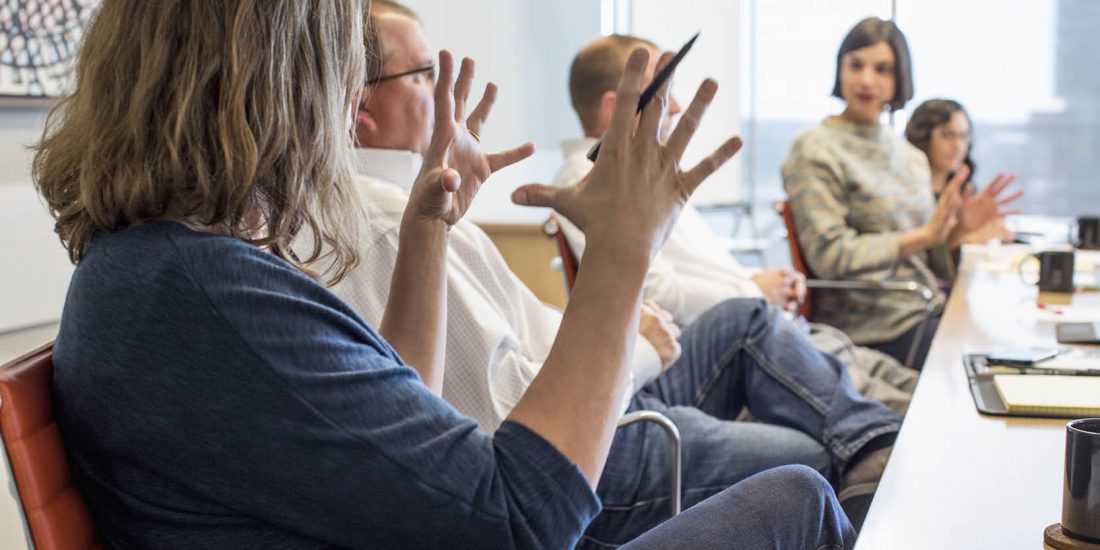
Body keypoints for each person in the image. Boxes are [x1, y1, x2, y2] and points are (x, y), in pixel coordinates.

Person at [34, 0, 855, 548]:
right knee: (799, 501)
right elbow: (529, 517)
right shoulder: (202, 292)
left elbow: (403, 402)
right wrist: (622, 248)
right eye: (330, 77)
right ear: (276, 92)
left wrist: (425, 225)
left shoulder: (162, 268)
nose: (336, 111)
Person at [333, 3, 899, 545]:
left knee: (749, 322)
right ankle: (880, 447)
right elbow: (518, 423)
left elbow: (529, 341)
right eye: (424, 74)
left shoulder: (419, 203)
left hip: (607, 381)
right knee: (816, 457)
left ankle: (878, 437)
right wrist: (641, 347)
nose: (443, 92)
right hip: (594, 436)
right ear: (361, 106)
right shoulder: (393, 221)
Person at [554, 34, 917, 413]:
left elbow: (701, 269)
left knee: (907, 382)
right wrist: (753, 290)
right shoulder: (587, 184)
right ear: (617, 106)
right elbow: (657, 294)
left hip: (762, 326)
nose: (676, 107)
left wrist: (761, 281)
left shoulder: (639, 176)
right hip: (727, 346)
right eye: (663, 93)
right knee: (904, 407)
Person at [781, 17, 1019, 368]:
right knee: (994, 366)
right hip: (872, 325)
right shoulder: (815, 148)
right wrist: (924, 236)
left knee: (1017, 341)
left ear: (899, 78)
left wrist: (957, 234)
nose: (866, 80)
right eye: (856, 65)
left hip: (926, 306)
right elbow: (829, 256)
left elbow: (927, 259)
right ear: (840, 69)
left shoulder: (910, 157)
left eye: (882, 69)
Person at [905, 98, 1021, 279]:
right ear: (922, 137)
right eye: (947, 135)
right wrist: (968, 239)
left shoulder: (964, 190)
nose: (958, 146)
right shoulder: (906, 193)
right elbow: (928, 266)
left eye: (964, 136)